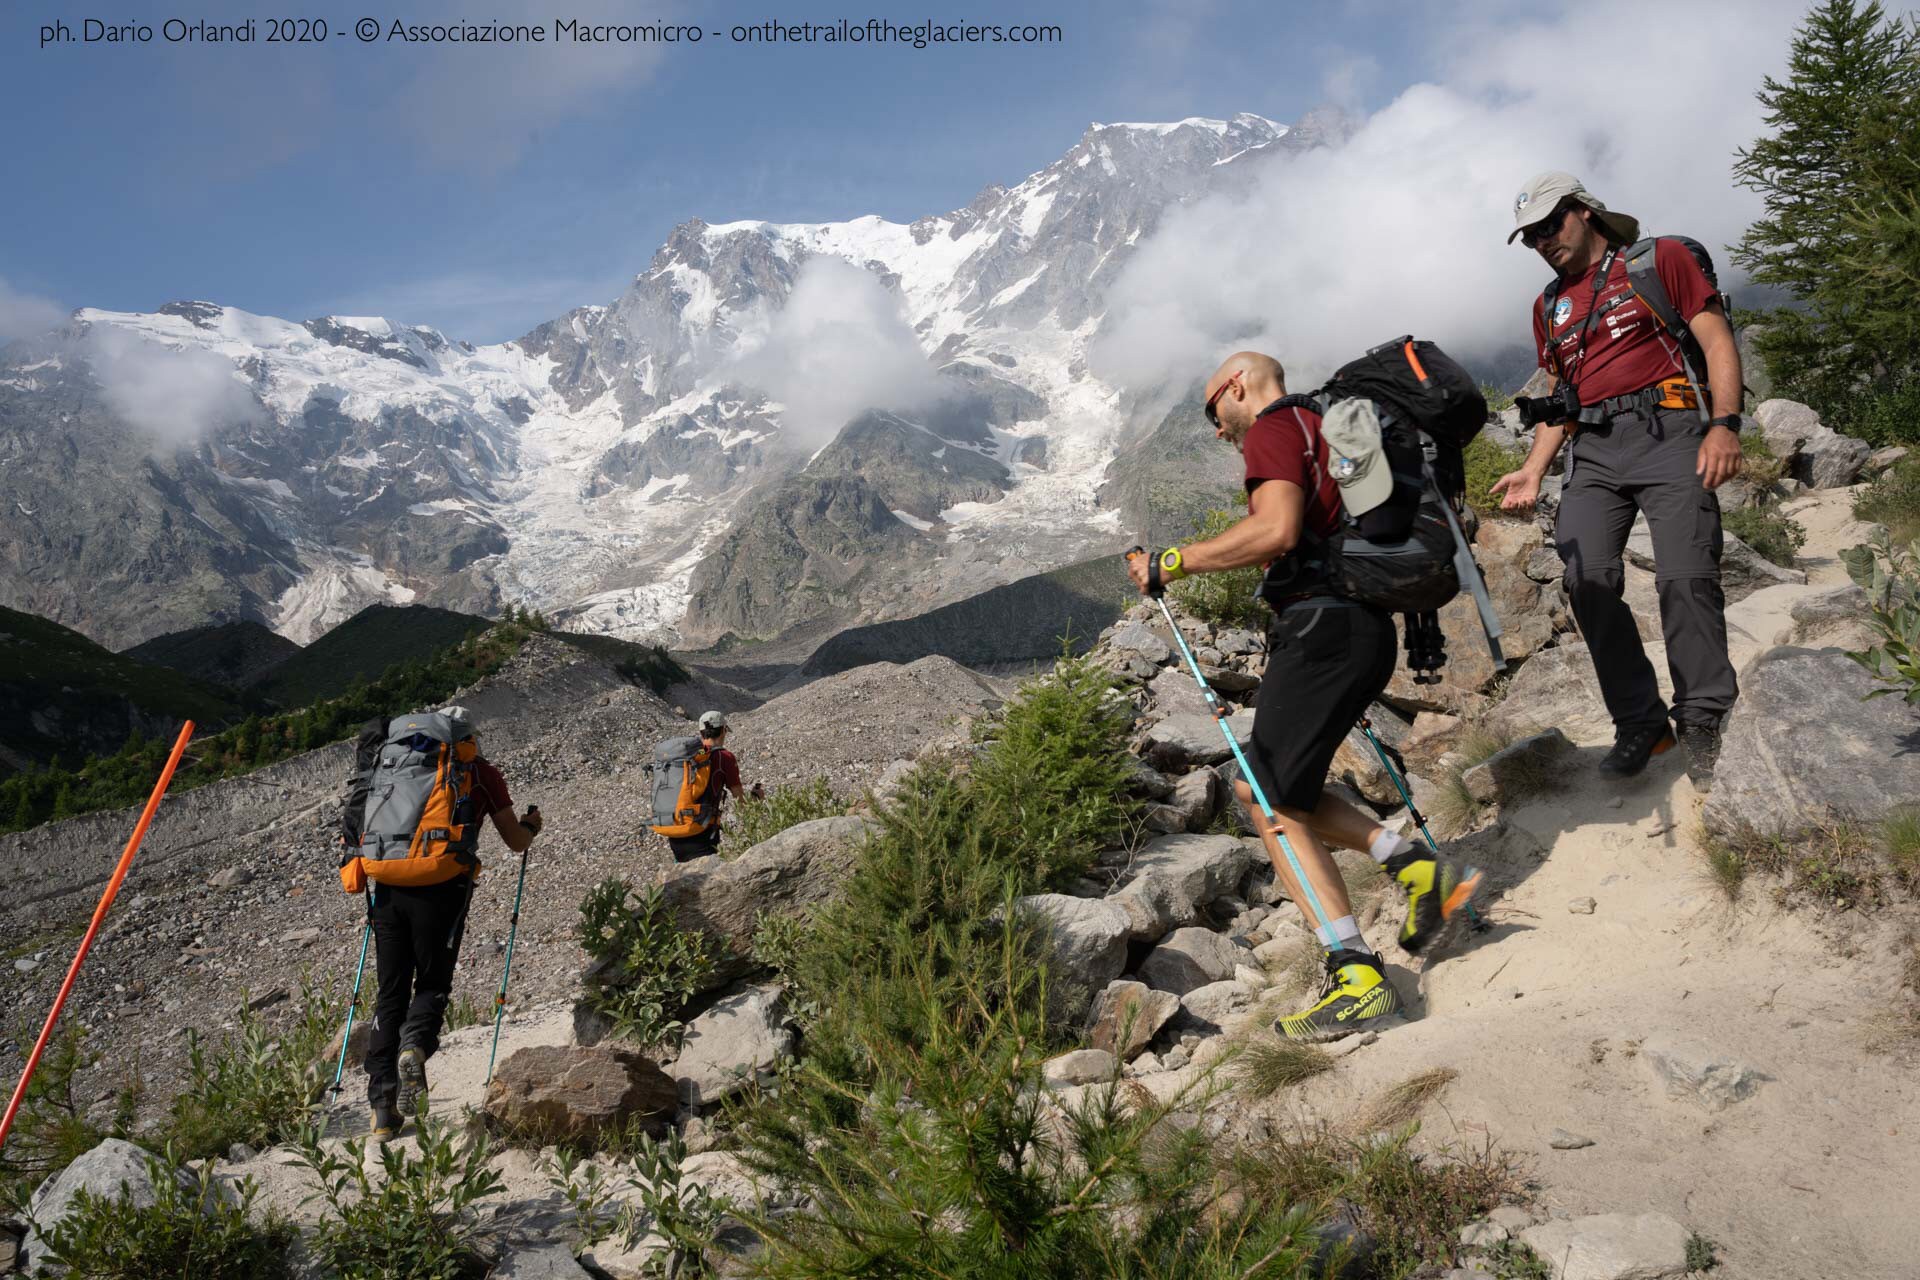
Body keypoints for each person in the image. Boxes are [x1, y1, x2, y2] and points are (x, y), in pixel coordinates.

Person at [1127, 353, 1483, 1042]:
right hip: (1358, 626)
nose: (1218, 431)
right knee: (1262, 790)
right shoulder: (1319, 425)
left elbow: (1275, 530)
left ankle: (1358, 976)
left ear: (1235, 386)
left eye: (1212, 412)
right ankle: (1414, 869)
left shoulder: (1273, 425)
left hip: (1325, 626)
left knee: (1266, 797)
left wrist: (1172, 561)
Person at [1490, 172, 1744, 789]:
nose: (1542, 242)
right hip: (1594, 452)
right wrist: (1531, 467)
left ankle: (1705, 717)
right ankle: (1641, 722)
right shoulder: (1548, 306)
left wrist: (1725, 426)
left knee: (1685, 579)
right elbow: (1561, 396)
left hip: (1672, 430)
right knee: (1588, 580)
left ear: (1584, 213)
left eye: (1550, 225)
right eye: (1530, 237)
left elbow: (1715, 340)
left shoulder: (1660, 261)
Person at [342, 705, 543, 1138]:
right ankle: (415, 1047)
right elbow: (514, 841)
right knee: (432, 984)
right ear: (464, 738)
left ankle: (382, 1109)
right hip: (442, 892)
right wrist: (532, 825)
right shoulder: (478, 772)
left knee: (390, 993)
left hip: (387, 889)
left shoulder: (389, 763)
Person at [666, 710, 762, 862]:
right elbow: (741, 803)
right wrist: (756, 798)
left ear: (701, 733)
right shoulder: (725, 758)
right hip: (701, 835)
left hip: (675, 831)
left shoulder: (687, 756)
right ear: (723, 730)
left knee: (682, 879)